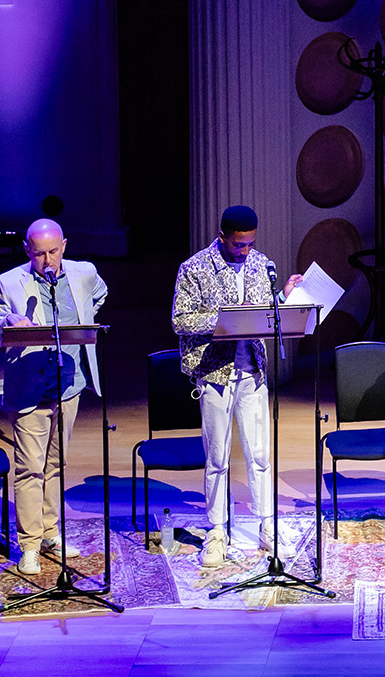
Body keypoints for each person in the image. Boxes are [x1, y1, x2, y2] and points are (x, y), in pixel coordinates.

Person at [170, 204, 303, 568]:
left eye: (249, 244)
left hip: (253, 372)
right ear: (223, 237)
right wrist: (226, 319)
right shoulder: (195, 268)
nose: (244, 251)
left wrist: (284, 297)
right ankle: (216, 531)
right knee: (217, 456)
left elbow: (265, 310)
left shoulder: (262, 264)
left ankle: (266, 526)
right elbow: (180, 320)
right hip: (215, 372)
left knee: (260, 453)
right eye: (238, 245)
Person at [0, 217, 109, 576]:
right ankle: (28, 546)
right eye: (39, 253)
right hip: (29, 389)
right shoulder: (8, 283)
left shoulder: (83, 273)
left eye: (53, 252)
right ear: (27, 250)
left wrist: (87, 315)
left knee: (56, 464)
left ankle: (50, 532)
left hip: (69, 384)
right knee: (29, 469)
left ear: (64, 246)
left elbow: (100, 294)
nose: (47, 260)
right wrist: (8, 322)